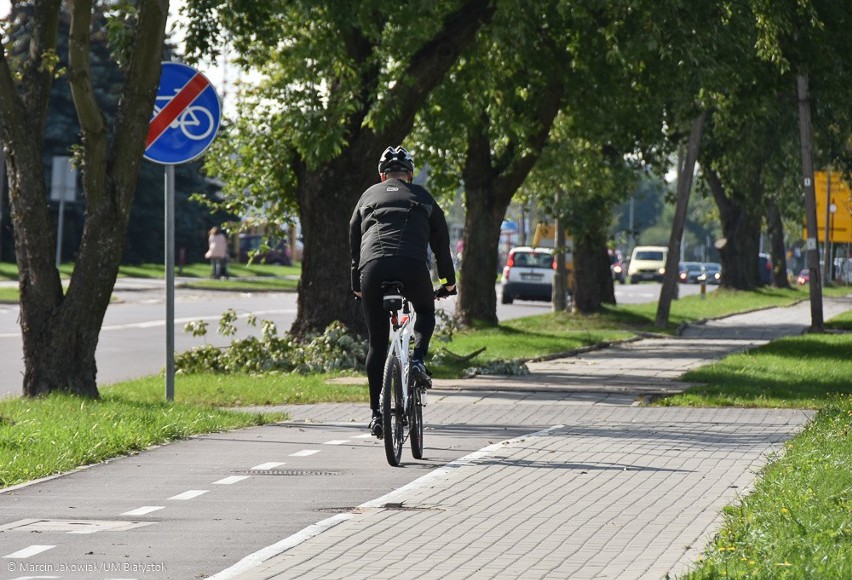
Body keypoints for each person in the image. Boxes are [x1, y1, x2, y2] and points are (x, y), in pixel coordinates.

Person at [349, 146, 456, 438]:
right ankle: (418, 359)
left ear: (381, 175)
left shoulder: (367, 196)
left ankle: (375, 415)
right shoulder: (423, 197)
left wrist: (356, 284)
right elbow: (441, 247)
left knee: (377, 345)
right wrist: (448, 283)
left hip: (373, 267)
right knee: (423, 309)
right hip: (412, 266)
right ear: (409, 175)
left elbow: (354, 239)